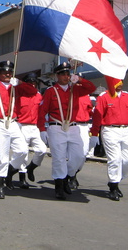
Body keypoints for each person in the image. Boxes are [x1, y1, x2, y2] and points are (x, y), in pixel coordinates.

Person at [0, 60, 37, 199]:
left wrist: (21, 83)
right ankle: (0, 185)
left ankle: (10, 172)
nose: (7, 74)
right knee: (2, 155)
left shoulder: (16, 86)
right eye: (4, 72)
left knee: (22, 150)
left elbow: (33, 91)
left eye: (10, 72)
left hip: (14, 123)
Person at [38, 62, 96, 200]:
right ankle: (59, 186)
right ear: (57, 76)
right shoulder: (51, 91)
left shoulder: (75, 89)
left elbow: (91, 87)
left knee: (79, 156)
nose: (66, 76)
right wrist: (42, 129)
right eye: (63, 74)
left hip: (73, 126)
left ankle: (68, 176)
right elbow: (42, 111)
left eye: (67, 74)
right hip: (56, 127)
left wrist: (80, 79)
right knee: (59, 158)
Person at [90, 80, 128, 201]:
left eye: (121, 81)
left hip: (125, 130)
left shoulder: (127, 97)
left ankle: (116, 179)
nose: (120, 83)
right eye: (116, 81)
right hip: (110, 130)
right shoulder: (104, 97)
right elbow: (97, 116)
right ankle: (113, 186)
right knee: (115, 159)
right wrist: (95, 133)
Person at [17, 72, 47, 189]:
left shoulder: (39, 96)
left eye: (34, 82)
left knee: (41, 150)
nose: (33, 85)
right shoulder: (20, 95)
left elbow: (41, 114)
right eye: (30, 82)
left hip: (34, 127)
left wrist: (42, 129)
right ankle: (22, 177)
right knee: (23, 153)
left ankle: (31, 168)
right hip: (22, 126)